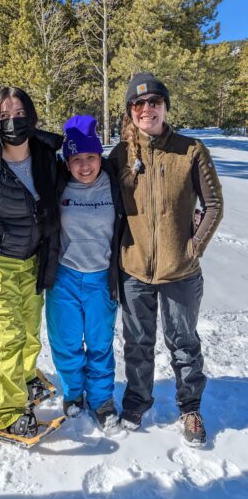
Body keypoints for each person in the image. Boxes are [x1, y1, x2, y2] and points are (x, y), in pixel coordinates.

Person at [109, 72, 223, 446]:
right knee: (138, 342)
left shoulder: (191, 150)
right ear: (130, 112)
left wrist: (194, 247)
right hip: (135, 269)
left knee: (184, 342)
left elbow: (213, 205)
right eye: (138, 104)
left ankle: (190, 408)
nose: (146, 109)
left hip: (181, 272)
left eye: (154, 102)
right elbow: (103, 204)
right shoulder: (121, 155)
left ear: (165, 107)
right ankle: (137, 401)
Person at [0, 86, 62, 438]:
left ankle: (23, 381)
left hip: (33, 261)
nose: (12, 121)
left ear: (31, 116)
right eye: (3, 116)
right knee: (4, 338)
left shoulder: (44, 154)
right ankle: (3, 412)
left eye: (18, 114)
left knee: (30, 333)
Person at [46, 115, 124, 433]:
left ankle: (102, 400)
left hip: (101, 278)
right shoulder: (58, 181)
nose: (85, 166)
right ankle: (74, 393)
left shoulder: (115, 181)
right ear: (67, 162)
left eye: (90, 157)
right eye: (76, 159)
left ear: (99, 156)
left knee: (99, 343)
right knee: (65, 342)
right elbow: (33, 147)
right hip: (64, 276)